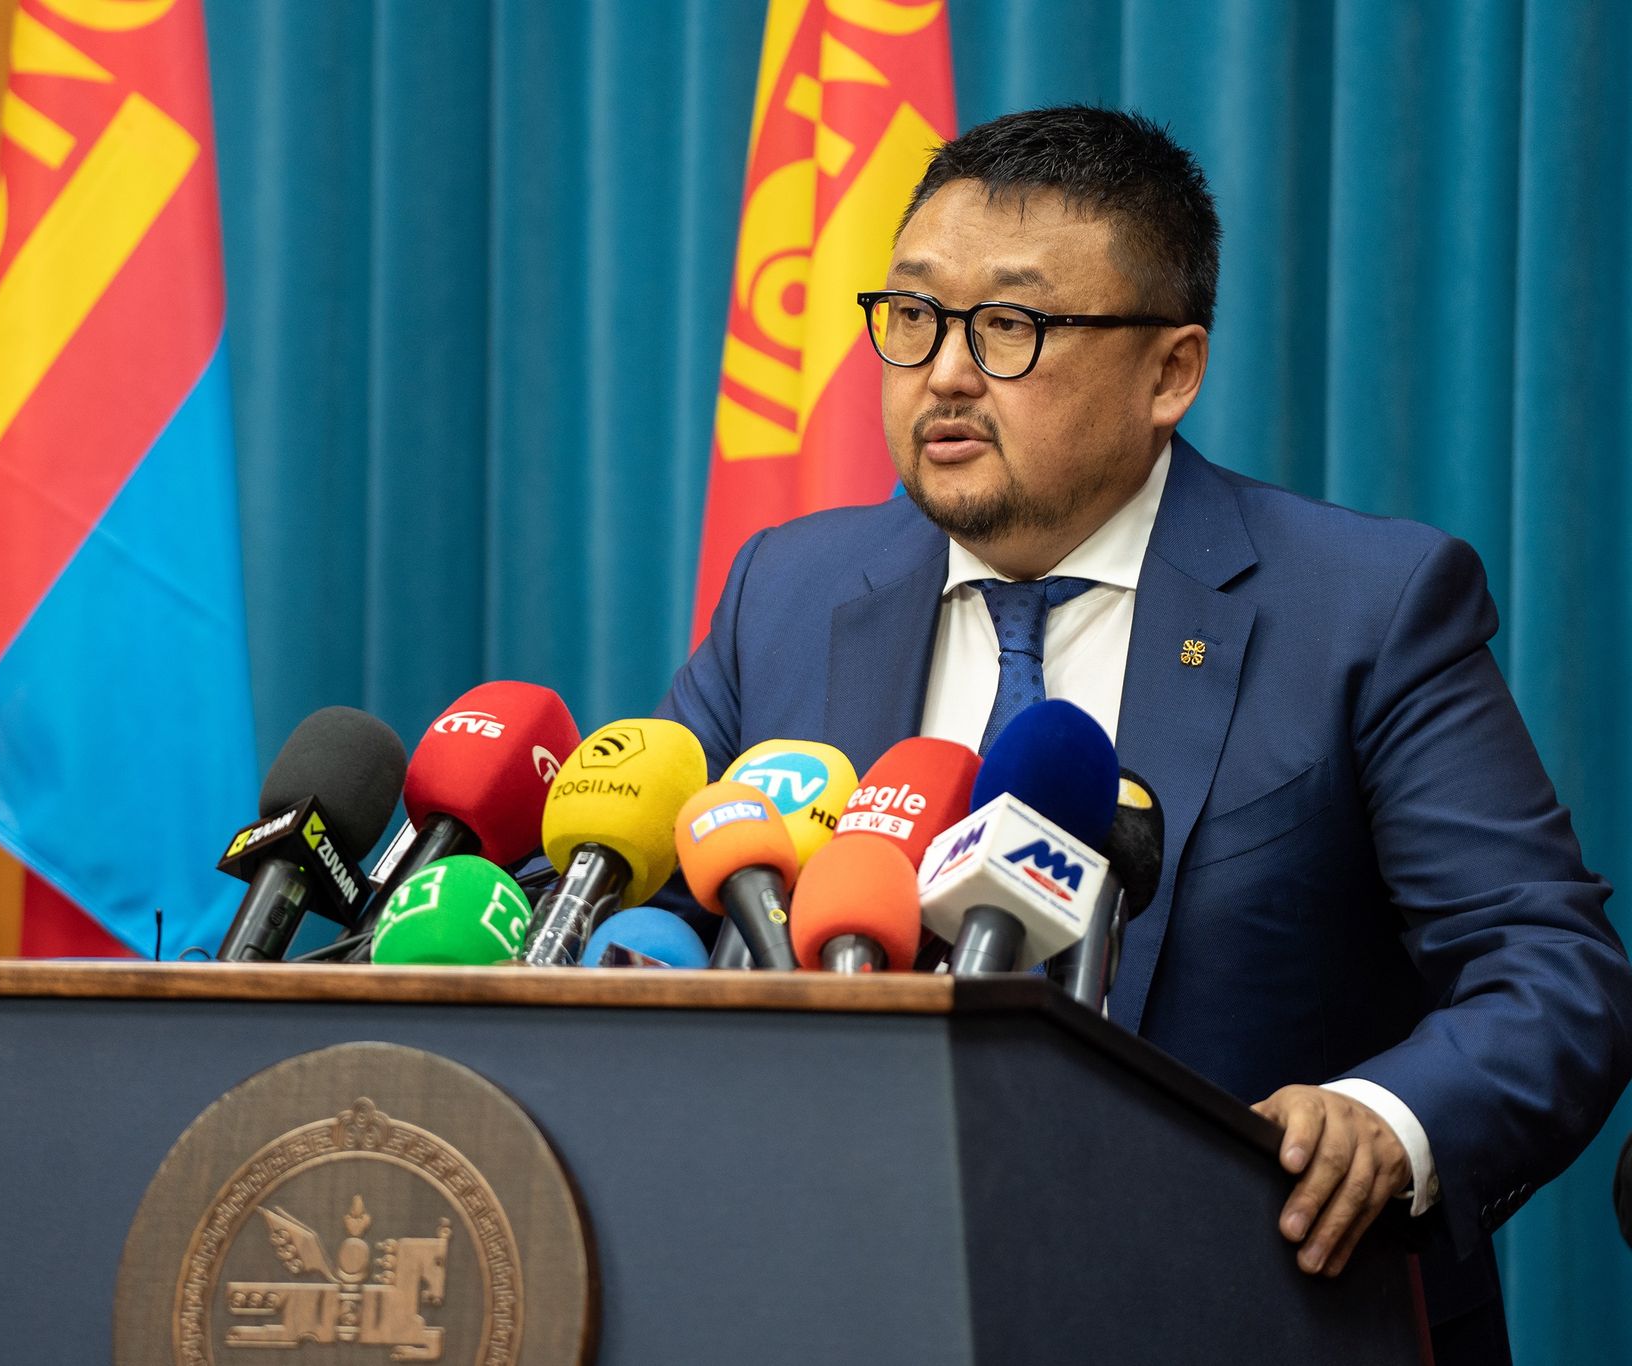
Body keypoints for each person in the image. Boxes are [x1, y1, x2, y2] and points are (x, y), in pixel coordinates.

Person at [661, 105, 1632, 1364]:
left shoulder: (1363, 610)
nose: (943, 373)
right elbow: (658, 906)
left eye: (1008, 326)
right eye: (912, 315)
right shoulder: (787, 593)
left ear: (1169, 372)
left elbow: (1547, 968)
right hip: (841, 1305)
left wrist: (1383, 1120)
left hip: (1244, 1311)